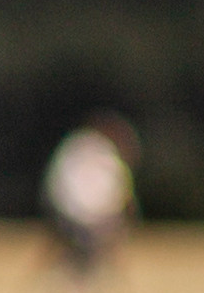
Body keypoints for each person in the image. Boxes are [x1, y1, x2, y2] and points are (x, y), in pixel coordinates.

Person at [41, 114, 140, 279]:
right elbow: (119, 194)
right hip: (95, 220)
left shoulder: (74, 146)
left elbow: (54, 184)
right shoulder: (107, 154)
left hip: (66, 214)